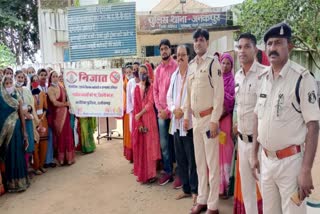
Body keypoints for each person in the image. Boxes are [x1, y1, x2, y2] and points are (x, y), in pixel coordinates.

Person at [252, 23, 320, 214]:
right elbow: (258, 116)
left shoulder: (302, 78)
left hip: (291, 164)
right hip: (266, 160)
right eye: (270, 44)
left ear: (289, 46)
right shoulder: (263, 78)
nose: (273, 48)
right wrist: (253, 154)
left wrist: (305, 171)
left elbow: (313, 126)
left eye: (279, 43)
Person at [183, 28, 224, 214]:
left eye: (201, 40)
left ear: (207, 42)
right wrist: (185, 116)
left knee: (212, 164)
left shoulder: (213, 64)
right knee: (199, 162)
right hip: (196, 120)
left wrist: (215, 120)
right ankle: (202, 199)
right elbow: (188, 94)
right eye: (196, 40)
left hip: (209, 120)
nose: (198, 43)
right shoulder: (191, 65)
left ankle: (213, 205)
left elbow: (219, 95)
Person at [233, 33, 266, 213]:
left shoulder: (264, 74)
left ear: (255, 49)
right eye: (240, 47)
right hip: (241, 140)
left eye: (247, 46)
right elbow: (239, 106)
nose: (242, 50)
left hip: (259, 144)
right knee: (247, 190)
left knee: (264, 189)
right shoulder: (237, 76)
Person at [167, 45, 198, 204]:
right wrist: (174, 109)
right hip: (176, 123)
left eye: (183, 55)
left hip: (189, 123)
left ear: (188, 56)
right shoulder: (174, 76)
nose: (179, 57)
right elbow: (169, 97)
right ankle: (186, 189)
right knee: (180, 159)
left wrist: (183, 112)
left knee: (192, 159)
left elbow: (194, 97)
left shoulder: (193, 74)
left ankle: (195, 191)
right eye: (177, 55)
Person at [153, 39, 179, 186]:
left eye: (166, 48)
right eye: (161, 49)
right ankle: (168, 171)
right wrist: (160, 109)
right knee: (164, 144)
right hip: (162, 113)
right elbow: (155, 91)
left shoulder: (176, 68)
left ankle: (180, 172)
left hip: (174, 113)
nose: (164, 51)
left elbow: (177, 92)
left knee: (176, 143)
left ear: (170, 50)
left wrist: (169, 111)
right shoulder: (157, 70)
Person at [0, 76, 30, 192]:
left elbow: (21, 113)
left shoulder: (17, 95)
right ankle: (11, 183)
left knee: (18, 154)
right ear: (3, 85)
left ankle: (21, 182)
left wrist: (24, 130)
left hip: (17, 130)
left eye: (10, 82)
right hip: (5, 132)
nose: (8, 85)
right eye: (6, 83)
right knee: (10, 155)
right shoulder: (0, 96)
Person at [132, 64, 161, 183]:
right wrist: (138, 120)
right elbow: (136, 105)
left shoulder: (151, 87)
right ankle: (144, 172)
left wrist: (140, 114)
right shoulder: (136, 88)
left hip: (149, 119)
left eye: (144, 72)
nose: (142, 74)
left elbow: (150, 104)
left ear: (148, 74)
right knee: (143, 145)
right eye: (140, 72)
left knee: (150, 145)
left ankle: (151, 174)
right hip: (140, 120)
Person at [47, 70, 75, 165]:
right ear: (50, 78)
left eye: (56, 76)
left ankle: (69, 158)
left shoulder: (61, 86)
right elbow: (54, 102)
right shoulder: (50, 89)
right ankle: (62, 159)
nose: (55, 78)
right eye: (53, 76)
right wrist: (65, 104)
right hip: (57, 115)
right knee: (61, 135)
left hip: (65, 113)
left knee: (68, 134)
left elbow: (68, 96)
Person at [218, 53, 235, 199]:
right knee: (217, 151)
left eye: (228, 63)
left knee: (226, 150)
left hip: (225, 120)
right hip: (215, 120)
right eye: (223, 63)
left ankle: (227, 185)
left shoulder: (232, 81)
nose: (225, 66)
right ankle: (218, 186)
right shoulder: (216, 79)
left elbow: (230, 101)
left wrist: (219, 115)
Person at [14, 71, 37, 173]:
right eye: (18, 77)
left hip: (28, 120)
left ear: (24, 79)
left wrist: (28, 109)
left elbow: (31, 105)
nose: (20, 79)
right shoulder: (12, 91)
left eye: (22, 78)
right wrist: (23, 113)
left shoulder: (26, 90)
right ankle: (23, 168)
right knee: (21, 144)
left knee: (30, 143)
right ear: (15, 77)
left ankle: (28, 166)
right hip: (18, 121)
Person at [37, 68, 56, 168]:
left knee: (50, 136)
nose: (43, 77)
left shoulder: (48, 87)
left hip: (49, 115)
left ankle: (49, 160)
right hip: (40, 117)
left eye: (45, 75)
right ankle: (42, 162)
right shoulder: (35, 88)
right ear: (38, 76)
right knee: (42, 139)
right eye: (41, 75)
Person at [30, 75, 49, 173]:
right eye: (33, 81)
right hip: (34, 121)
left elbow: (45, 107)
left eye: (37, 81)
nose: (35, 82)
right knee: (35, 144)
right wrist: (37, 119)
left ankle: (41, 165)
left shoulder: (42, 94)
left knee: (44, 144)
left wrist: (42, 117)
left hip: (43, 120)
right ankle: (36, 167)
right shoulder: (29, 94)